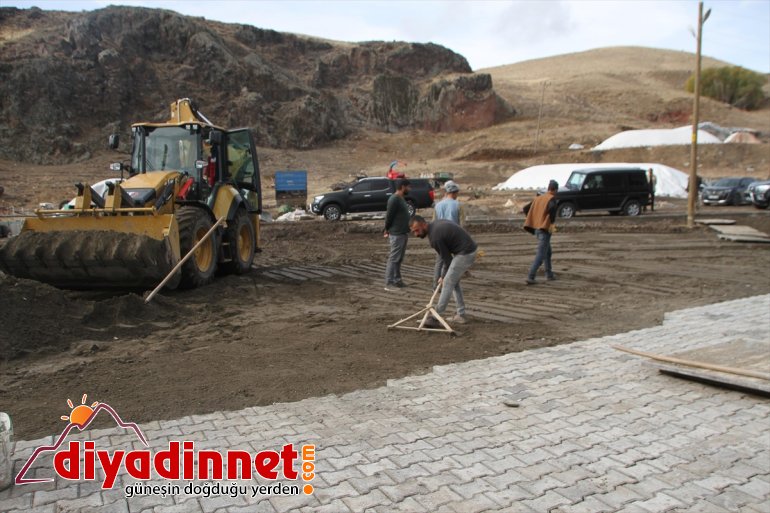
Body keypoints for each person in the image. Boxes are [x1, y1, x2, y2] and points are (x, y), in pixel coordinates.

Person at [409, 215, 477, 326]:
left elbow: (447, 260)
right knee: (453, 282)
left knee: (448, 282)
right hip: (465, 250)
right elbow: (445, 257)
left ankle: (436, 317)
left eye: (417, 230)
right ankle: (461, 315)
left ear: (424, 224)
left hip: (465, 252)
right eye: (413, 232)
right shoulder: (434, 226)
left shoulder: (435, 237)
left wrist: (443, 276)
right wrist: (443, 274)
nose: (416, 234)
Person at [523, 180, 559, 285]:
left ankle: (549, 274)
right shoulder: (551, 199)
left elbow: (525, 208)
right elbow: (552, 211)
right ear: (555, 189)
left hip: (536, 229)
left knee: (548, 251)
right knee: (541, 254)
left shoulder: (538, 198)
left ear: (548, 188)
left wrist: (535, 219)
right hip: (544, 229)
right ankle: (531, 276)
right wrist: (551, 223)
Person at [432, 180, 464, 289]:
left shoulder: (438, 205)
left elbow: (433, 222)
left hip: (439, 236)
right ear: (454, 193)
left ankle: (436, 285)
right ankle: (452, 284)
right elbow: (462, 225)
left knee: (440, 261)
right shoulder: (458, 205)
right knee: (454, 262)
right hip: (453, 237)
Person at [383, 178, 411, 290]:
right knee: (394, 258)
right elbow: (389, 216)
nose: (410, 189)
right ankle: (389, 283)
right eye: (409, 187)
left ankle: (397, 280)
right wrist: (386, 228)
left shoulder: (401, 198)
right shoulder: (394, 199)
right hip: (396, 233)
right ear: (403, 187)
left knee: (399, 258)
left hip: (403, 232)